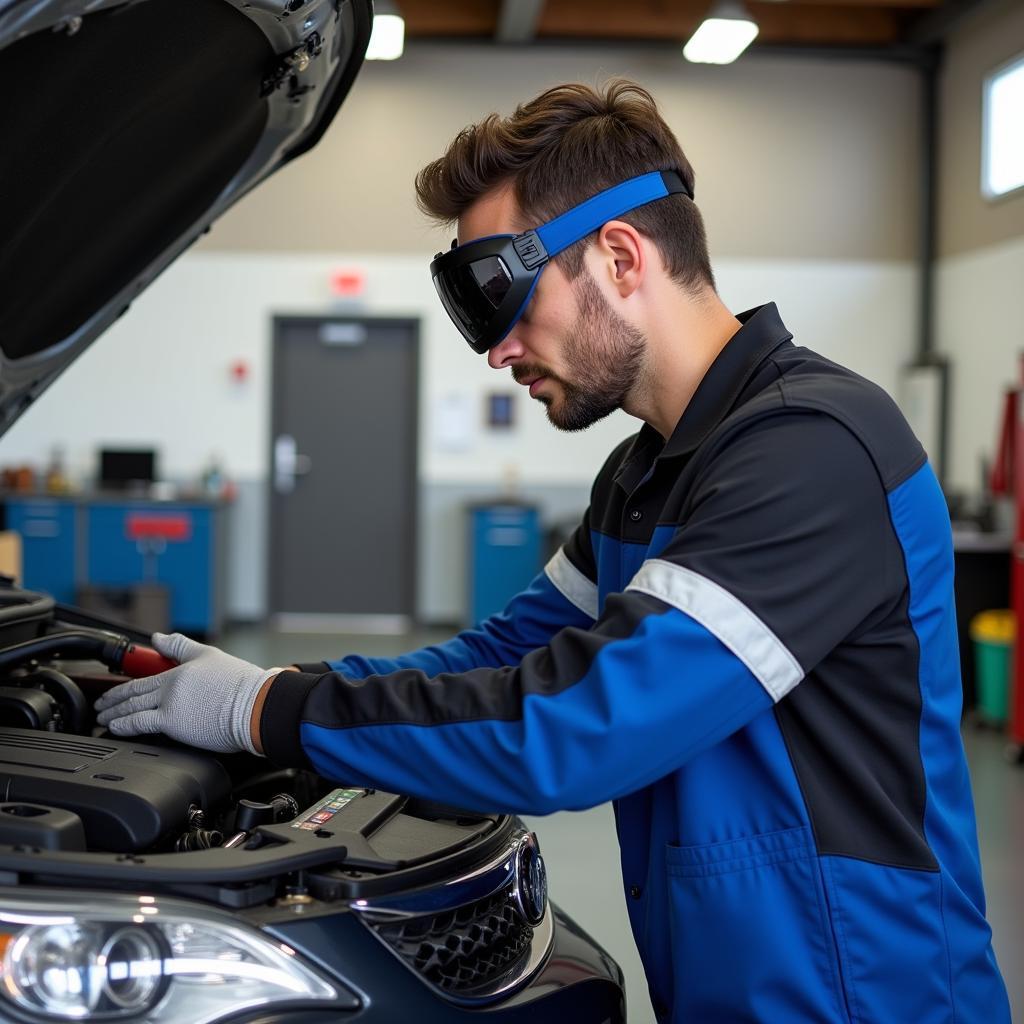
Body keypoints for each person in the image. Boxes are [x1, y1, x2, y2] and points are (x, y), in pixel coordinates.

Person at [95, 81, 1010, 1022]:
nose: (496, 351)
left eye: (504, 298)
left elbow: (577, 724)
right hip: (732, 988)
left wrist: (271, 714)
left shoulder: (815, 449)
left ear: (620, 256)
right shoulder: (643, 474)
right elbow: (499, 656)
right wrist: (271, 686)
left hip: (867, 994)